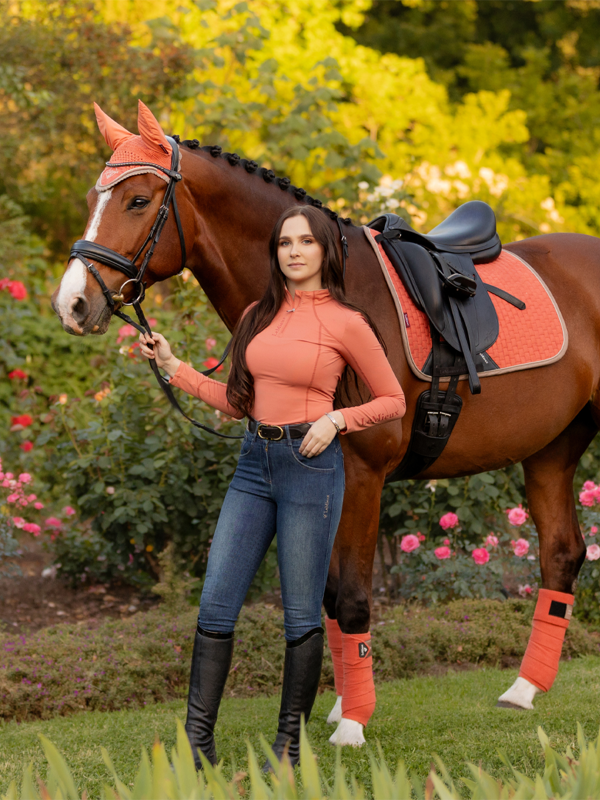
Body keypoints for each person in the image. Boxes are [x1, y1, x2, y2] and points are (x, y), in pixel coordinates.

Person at [139, 205, 406, 768]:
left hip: (310, 466)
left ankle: (288, 750)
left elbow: (392, 401)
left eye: (305, 242)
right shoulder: (257, 315)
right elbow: (236, 404)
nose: (293, 251)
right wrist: (173, 365)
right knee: (215, 605)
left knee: (301, 613)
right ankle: (196, 746)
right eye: (285, 243)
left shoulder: (346, 321)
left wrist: (336, 419)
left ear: (325, 251)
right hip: (253, 465)